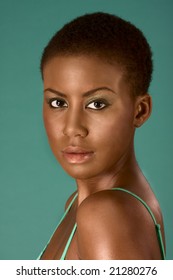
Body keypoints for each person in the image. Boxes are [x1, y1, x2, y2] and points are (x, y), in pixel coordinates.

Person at [38, 12, 166, 260]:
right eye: (58, 102)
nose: (73, 127)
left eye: (96, 104)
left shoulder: (107, 214)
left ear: (139, 111)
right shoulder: (77, 204)